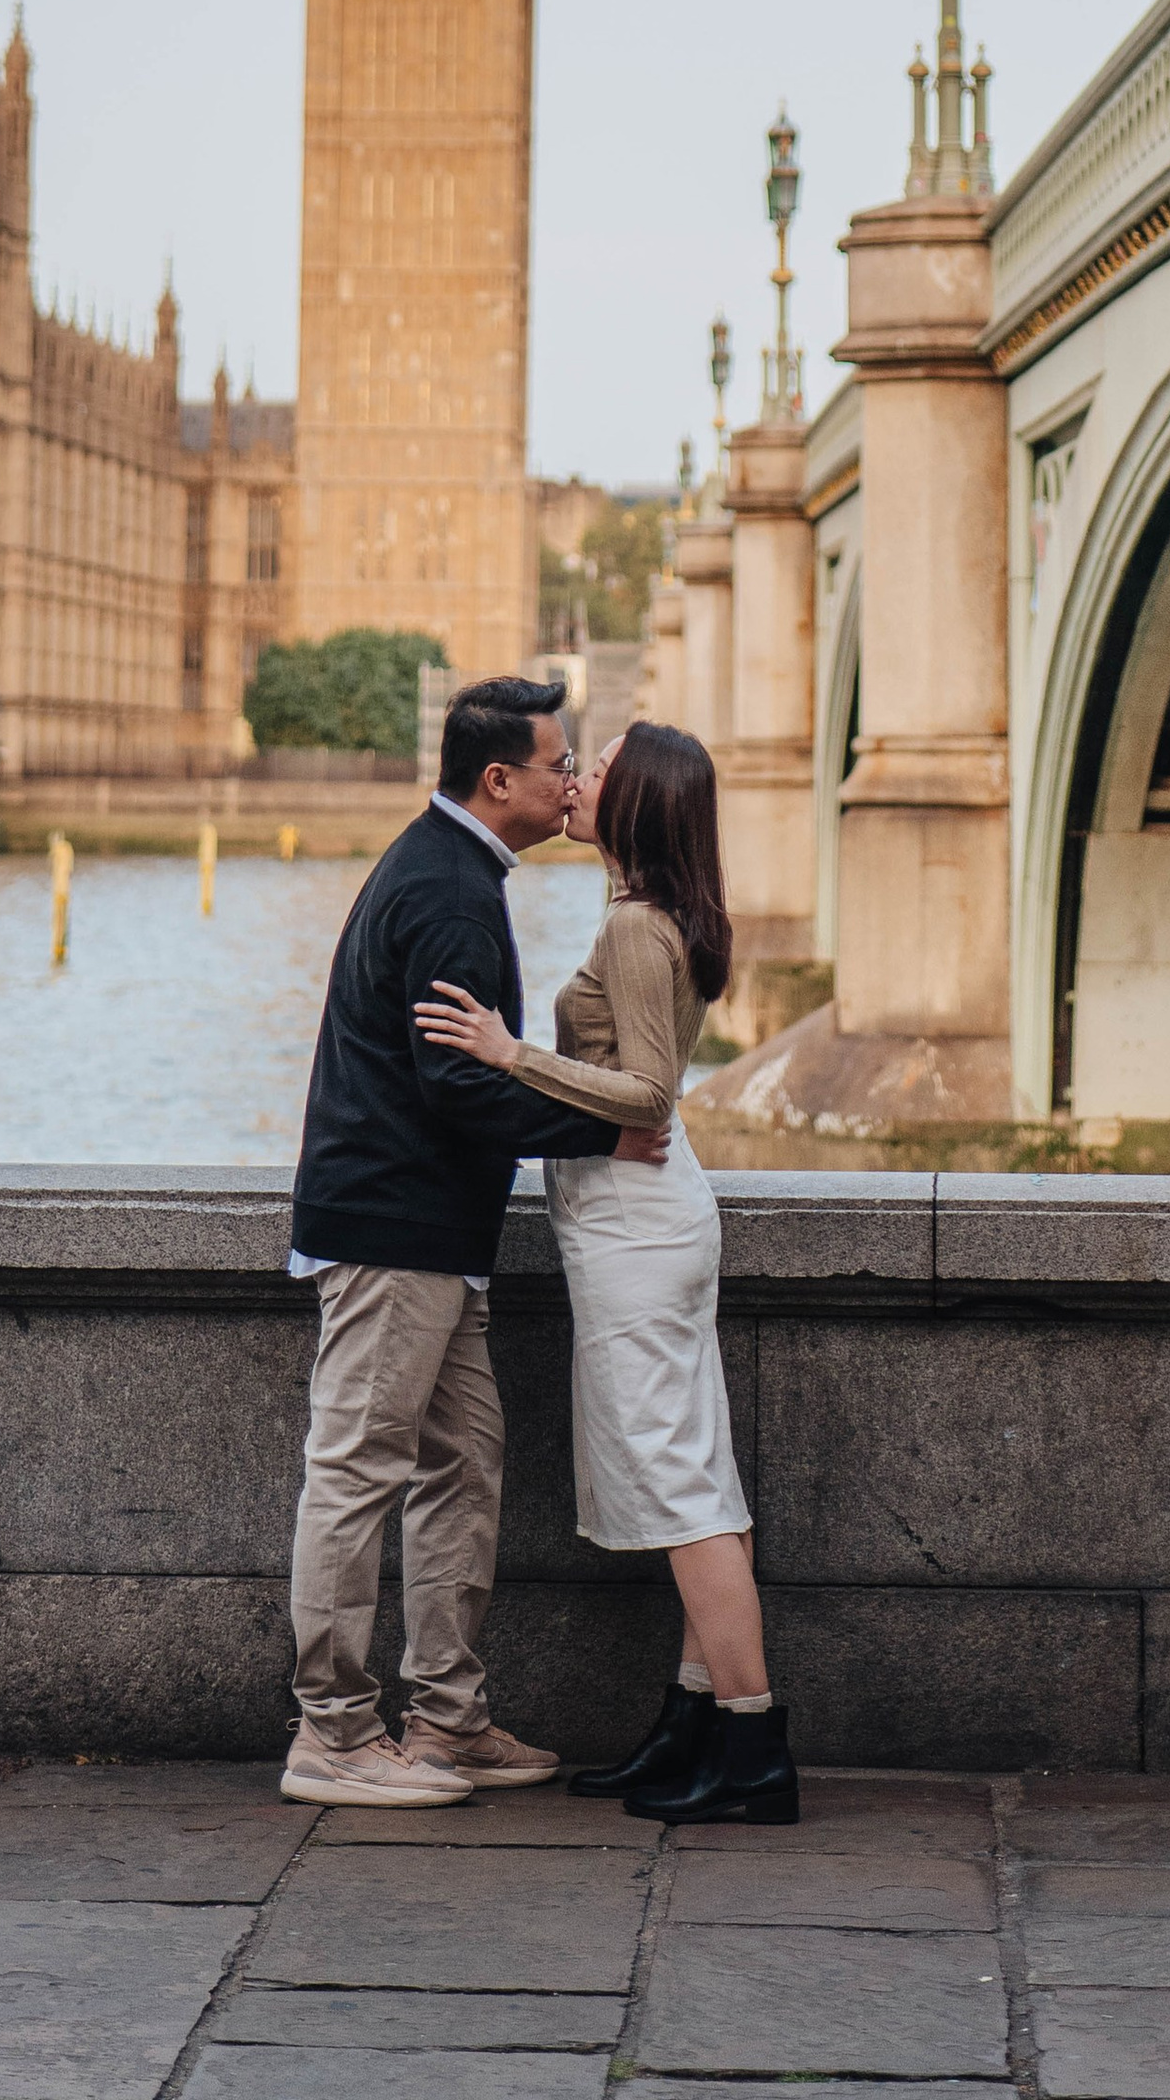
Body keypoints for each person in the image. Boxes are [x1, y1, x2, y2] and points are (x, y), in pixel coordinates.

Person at [282, 672, 665, 1808]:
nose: (571, 781)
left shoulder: (451, 868)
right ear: (498, 779)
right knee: (357, 1471)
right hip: (393, 1231)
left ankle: (446, 1720)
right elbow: (458, 1087)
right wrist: (603, 1126)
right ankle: (332, 1735)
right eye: (559, 764)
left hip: (434, 1233)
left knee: (462, 1464)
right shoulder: (450, 891)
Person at [414, 718, 797, 1828]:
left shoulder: (635, 925)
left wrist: (508, 1053)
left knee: (680, 1488)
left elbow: (650, 1096)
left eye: (602, 768)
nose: (577, 779)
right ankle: (694, 1725)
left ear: (639, 801)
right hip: (652, 1220)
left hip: (637, 1227)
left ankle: (753, 1746)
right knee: (699, 1476)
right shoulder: (657, 911)